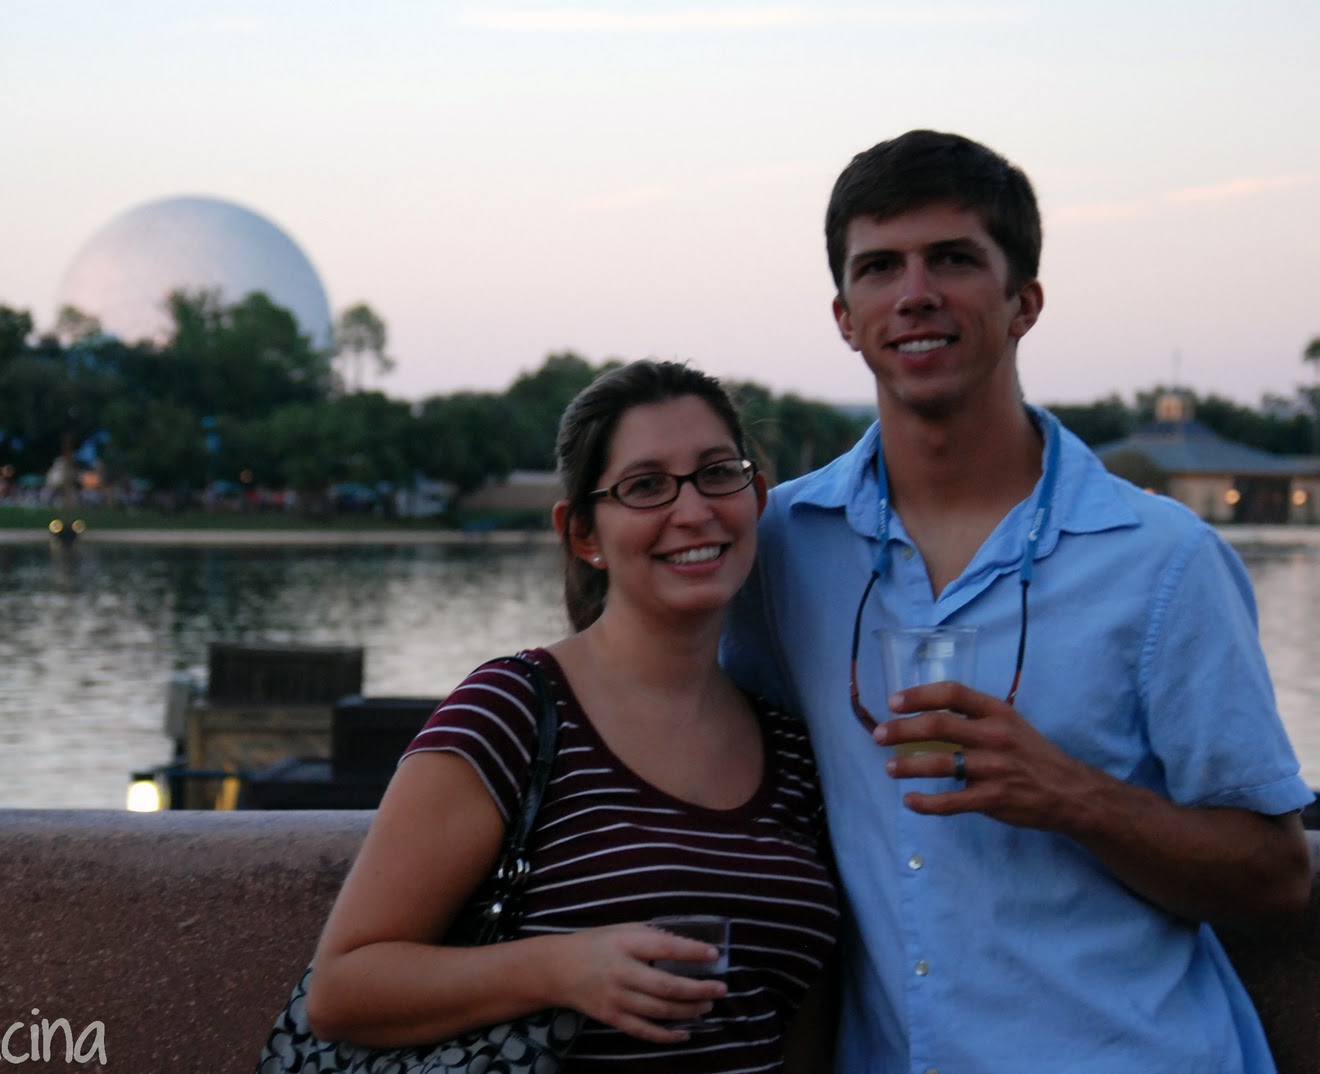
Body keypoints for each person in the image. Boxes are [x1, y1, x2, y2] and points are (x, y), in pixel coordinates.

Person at [721, 129, 1314, 1073]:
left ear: (1023, 302)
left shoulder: (1164, 560)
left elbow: (1279, 878)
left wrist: (1071, 794)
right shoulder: (784, 546)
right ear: (844, 315)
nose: (915, 292)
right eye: (880, 267)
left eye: (953, 259)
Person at [304, 359, 840, 1071]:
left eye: (718, 472)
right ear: (583, 534)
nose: (694, 510)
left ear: (758, 497)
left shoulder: (795, 751)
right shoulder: (514, 713)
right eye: (646, 486)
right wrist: (559, 968)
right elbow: (342, 989)